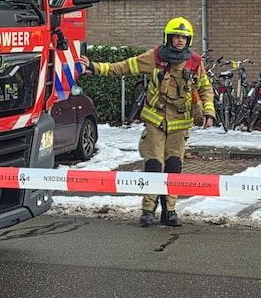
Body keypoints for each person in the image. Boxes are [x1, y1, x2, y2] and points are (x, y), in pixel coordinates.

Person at [78, 17, 215, 227]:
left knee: (173, 167)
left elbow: (205, 89)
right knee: (153, 165)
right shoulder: (155, 57)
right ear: (168, 38)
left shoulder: (195, 62)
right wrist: (95, 68)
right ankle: (148, 210)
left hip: (180, 125)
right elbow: (124, 67)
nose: (180, 41)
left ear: (189, 41)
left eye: (184, 38)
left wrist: (208, 111)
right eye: (176, 36)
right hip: (155, 123)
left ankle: (169, 211)